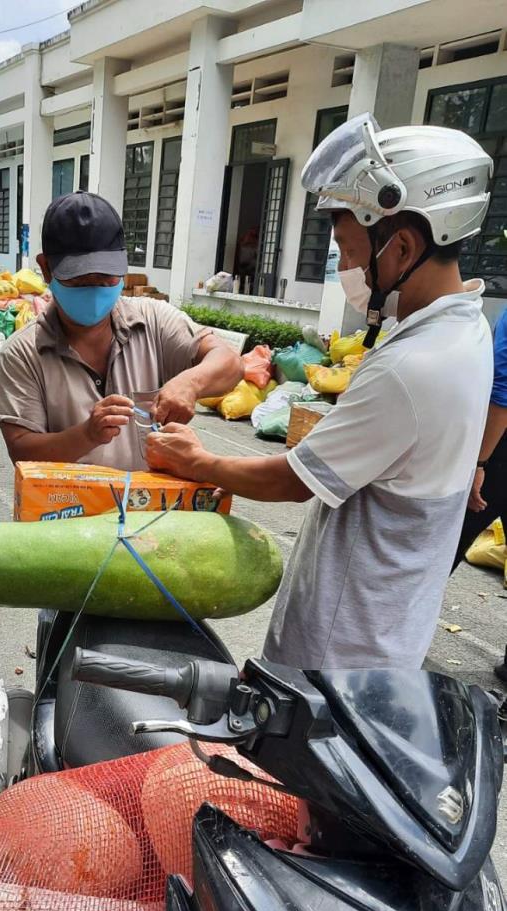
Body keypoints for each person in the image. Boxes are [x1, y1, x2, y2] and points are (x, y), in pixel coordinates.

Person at [147, 114, 494, 671]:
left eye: (353, 254)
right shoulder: (466, 330)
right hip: (389, 631)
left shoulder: (413, 367)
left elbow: (291, 481)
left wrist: (198, 460)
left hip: (341, 653)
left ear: (402, 247)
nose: (348, 269)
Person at [0, 192, 243, 470]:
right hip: (66, 510)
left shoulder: (154, 320)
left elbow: (230, 362)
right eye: (79, 279)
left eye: (105, 277)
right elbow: (21, 451)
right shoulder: (22, 354)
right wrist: (86, 434)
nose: (94, 288)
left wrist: (191, 384)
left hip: (147, 510)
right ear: (46, 268)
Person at [450, 307, 507, 682]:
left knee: (448, 542)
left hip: (501, 449)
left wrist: (480, 461)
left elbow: (503, 389)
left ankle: (393, 645)